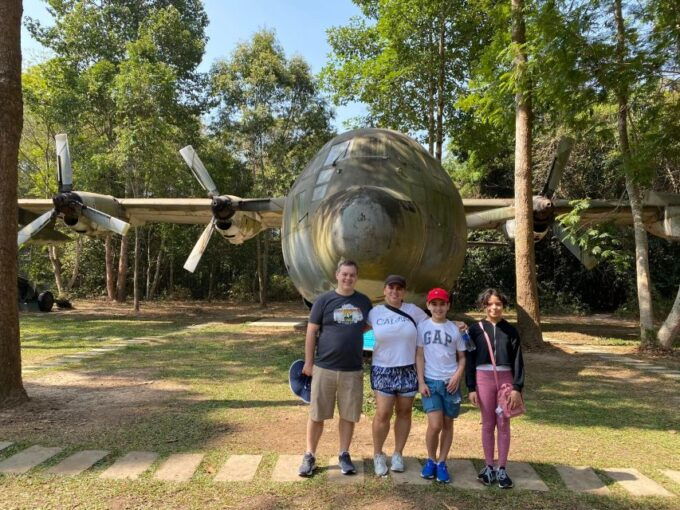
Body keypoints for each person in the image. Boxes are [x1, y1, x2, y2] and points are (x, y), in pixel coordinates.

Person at [298, 260, 373, 477]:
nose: (348, 278)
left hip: (352, 369)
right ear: (337, 275)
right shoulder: (323, 301)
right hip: (324, 368)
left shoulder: (364, 301)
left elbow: (369, 324)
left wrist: (356, 330)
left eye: (352, 275)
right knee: (317, 414)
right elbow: (311, 332)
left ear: (356, 277)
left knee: (348, 415)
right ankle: (310, 455)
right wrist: (308, 362)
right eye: (344, 274)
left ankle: (344, 454)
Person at [367, 275, 429, 476]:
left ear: (404, 292)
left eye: (399, 288)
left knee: (405, 412)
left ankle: (398, 454)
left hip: (408, 369)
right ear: (384, 290)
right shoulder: (374, 313)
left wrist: (455, 323)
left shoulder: (414, 311)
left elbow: (434, 324)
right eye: (391, 288)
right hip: (383, 368)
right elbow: (355, 330)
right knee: (383, 413)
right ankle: (378, 455)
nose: (395, 291)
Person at [465, 288, 524, 489]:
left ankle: (502, 468)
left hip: (506, 379)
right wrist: (471, 387)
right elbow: (470, 359)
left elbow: (518, 360)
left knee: (504, 422)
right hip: (483, 378)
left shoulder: (511, 330)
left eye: (498, 303)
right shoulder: (475, 330)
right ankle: (489, 466)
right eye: (490, 304)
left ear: (503, 306)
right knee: (488, 423)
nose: (494, 307)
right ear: (484, 306)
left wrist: (517, 387)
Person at [415, 287, 467, 483]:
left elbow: (462, 357)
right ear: (428, 305)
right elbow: (419, 355)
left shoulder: (455, 329)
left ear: (448, 305)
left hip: (450, 383)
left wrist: (457, 376)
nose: (438, 308)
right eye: (434, 304)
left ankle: (442, 462)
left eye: (442, 304)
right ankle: (431, 460)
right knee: (435, 425)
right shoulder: (423, 327)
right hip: (430, 381)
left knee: (447, 424)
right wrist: (420, 381)